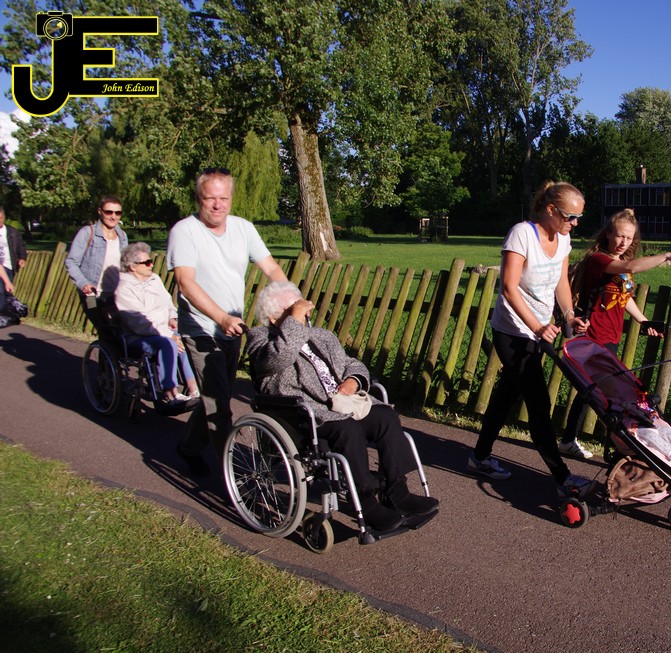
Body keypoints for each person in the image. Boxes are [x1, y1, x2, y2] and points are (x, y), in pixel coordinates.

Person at [246, 281, 439, 533]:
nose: (302, 314)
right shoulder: (260, 339)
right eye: (292, 310)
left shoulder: (322, 336)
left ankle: (396, 491)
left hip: (343, 403)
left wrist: (352, 380)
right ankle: (366, 503)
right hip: (307, 414)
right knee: (348, 430)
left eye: (301, 308)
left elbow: (351, 363)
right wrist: (294, 321)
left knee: (386, 417)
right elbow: (277, 359)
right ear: (273, 317)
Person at [468, 180, 592, 496]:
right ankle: (563, 478)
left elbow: (561, 281)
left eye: (579, 218)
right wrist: (537, 326)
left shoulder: (563, 239)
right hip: (512, 331)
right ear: (550, 210)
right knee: (539, 401)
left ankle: (479, 457)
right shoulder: (522, 234)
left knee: (507, 394)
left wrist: (569, 316)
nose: (575, 223)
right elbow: (509, 287)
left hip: (537, 331)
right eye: (570, 217)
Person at [167, 167, 287, 477]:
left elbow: (271, 268)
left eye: (224, 198)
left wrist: (290, 299)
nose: (218, 204)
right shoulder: (185, 231)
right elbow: (185, 283)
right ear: (199, 198)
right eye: (210, 198)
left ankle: (188, 448)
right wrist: (220, 317)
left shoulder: (243, 229)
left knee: (215, 395)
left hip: (233, 329)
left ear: (231, 198)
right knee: (219, 402)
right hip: (201, 329)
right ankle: (237, 479)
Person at [560, 208, 671, 456]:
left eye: (629, 238)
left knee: (594, 392)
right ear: (608, 234)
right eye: (620, 236)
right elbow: (631, 264)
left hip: (610, 337)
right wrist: (667, 255)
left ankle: (576, 440)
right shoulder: (600, 260)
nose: (624, 242)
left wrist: (643, 321)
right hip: (592, 337)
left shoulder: (621, 266)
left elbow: (624, 298)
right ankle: (617, 444)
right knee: (600, 392)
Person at [115, 242, 200, 409]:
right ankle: (171, 393)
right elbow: (139, 323)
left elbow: (168, 302)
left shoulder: (154, 279)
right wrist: (169, 335)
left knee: (185, 338)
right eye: (147, 263)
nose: (151, 265)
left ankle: (194, 389)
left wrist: (172, 317)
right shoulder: (123, 289)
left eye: (151, 261)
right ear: (132, 267)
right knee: (168, 343)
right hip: (138, 336)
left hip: (163, 329)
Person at [65, 195, 128, 331]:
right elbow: (71, 262)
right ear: (100, 211)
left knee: (119, 331)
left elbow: (125, 265)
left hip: (115, 295)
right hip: (91, 295)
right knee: (102, 327)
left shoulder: (122, 236)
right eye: (109, 212)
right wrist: (83, 283)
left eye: (117, 213)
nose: (113, 216)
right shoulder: (87, 233)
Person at [0, 207, 27, 312]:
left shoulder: (12, 232)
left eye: (1, 218)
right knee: (1, 291)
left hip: (9, 266)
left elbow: (21, 246)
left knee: (7, 291)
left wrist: (22, 257)